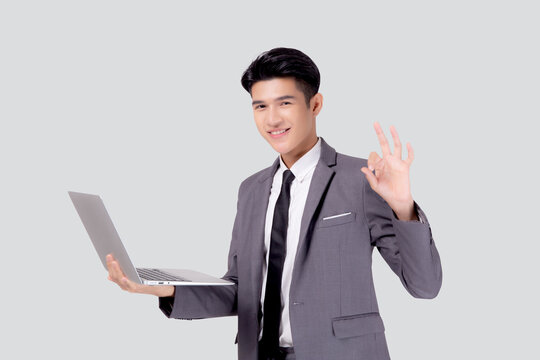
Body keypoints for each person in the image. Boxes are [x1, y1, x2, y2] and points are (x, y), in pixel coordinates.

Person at [106, 47, 442, 360]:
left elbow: (424, 286)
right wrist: (160, 289)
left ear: (315, 105)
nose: (272, 120)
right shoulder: (251, 189)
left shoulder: (361, 179)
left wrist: (403, 207)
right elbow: (241, 292)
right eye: (260, 106)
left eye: (285, 103)